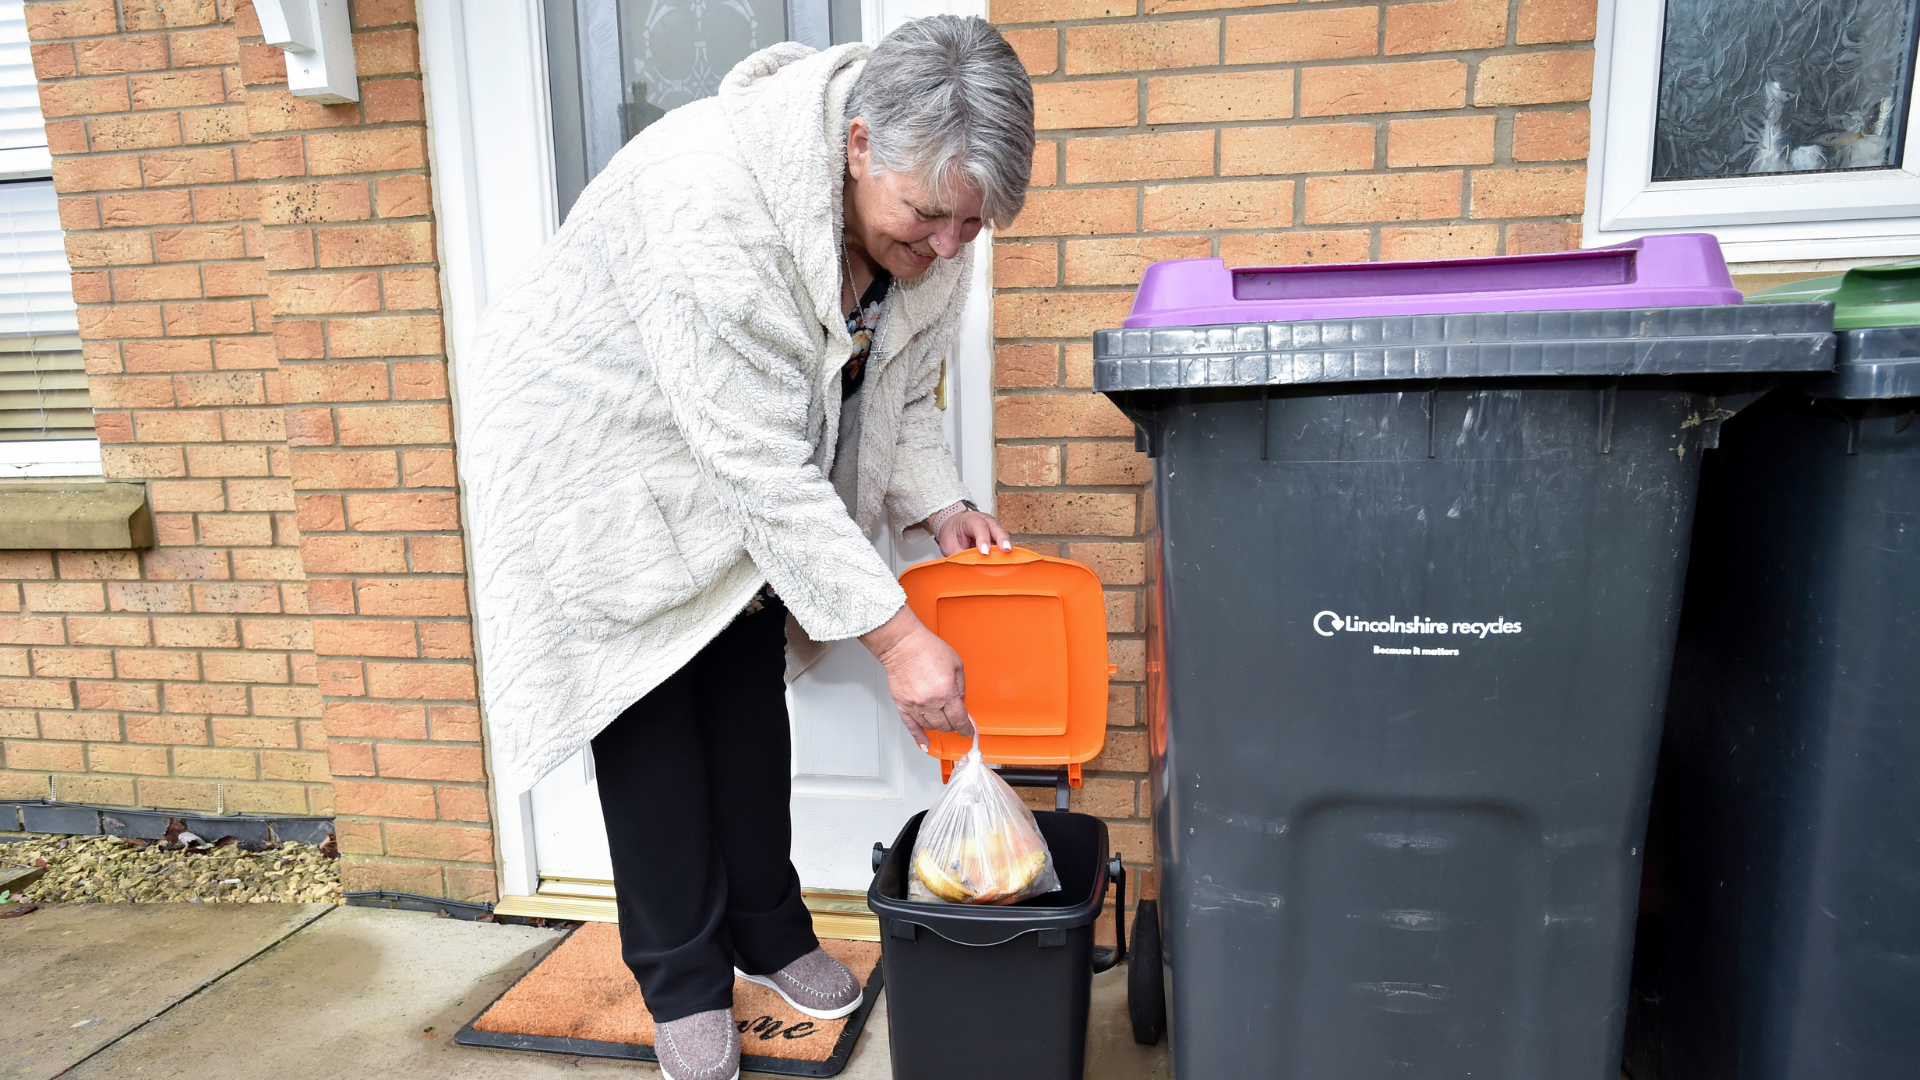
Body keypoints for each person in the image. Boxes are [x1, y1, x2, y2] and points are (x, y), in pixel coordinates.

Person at [458, 17, 1034, 1080]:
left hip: (732, 454)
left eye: (972, 223)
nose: (949, 246)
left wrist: (939, 501)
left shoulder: (929, 221)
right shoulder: (712, 200)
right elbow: (759, 465)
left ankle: (770, 931)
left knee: (743, 697)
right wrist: (901, 641)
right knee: (652, 719)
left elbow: (901, 381)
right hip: (600, 454)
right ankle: (680, 978)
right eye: (929, 217)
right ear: (860, 144)